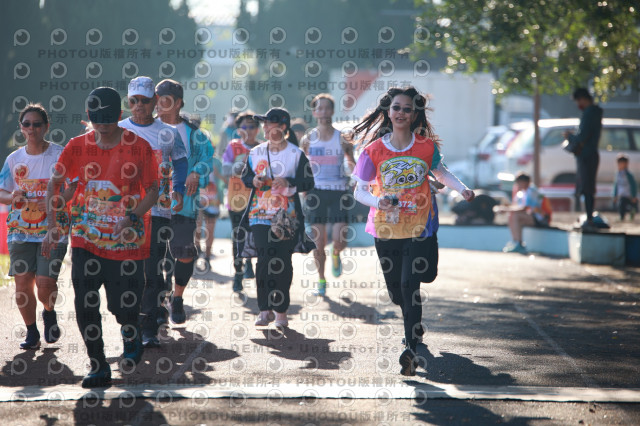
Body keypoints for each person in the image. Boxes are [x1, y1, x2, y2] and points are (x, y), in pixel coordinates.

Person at [352, 86, 475, 376]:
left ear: (415, 114)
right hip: (386, 228)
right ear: (388, 111)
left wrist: (462, 189)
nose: (401, 113)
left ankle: (410, 348)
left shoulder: (425, 147)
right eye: (397, 108)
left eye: (407, 109)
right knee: (397, 293)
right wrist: (378, 201)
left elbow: (440, 172)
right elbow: (359, 191)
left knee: (411, 286)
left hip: (419, 226)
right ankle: (413, 326)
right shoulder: (373, 150)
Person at [44, 87, 159, 387]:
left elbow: (154, 190)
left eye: (108, 119)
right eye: (97, 120)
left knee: (122, 306)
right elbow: (55, 183)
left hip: (126, 241)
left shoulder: (139, 147)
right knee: (85, 302)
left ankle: (131, 330)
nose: (103, 125)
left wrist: (131, 217)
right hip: (86, 238)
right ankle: (98, 365)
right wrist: (52, 225)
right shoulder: (77, 146)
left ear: (119, 115)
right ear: (88, 116)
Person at [118, 76, 188, 348]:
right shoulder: (119, 129)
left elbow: (180, 162)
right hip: (124, 213)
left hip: (158, 211)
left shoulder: (167, 133)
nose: (138, 105)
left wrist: (178, 189)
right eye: (133, 100)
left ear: (155, 102)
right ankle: (131, 322)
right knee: (127, 272)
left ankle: (148, 327)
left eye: (144, 101)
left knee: (152, 270)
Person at [0, 104, 71, 350]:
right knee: (22, 284)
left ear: (46, 127)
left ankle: (48, 311)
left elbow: (74, 187)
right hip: (20, 229)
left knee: (45, 283)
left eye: (37, 124)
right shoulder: (14, 159)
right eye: (27, 124)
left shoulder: (60, 155)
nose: (32, 128)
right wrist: (13, 197)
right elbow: (2, 192)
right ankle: (31, 332)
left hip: (53, 228)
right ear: (21, 128)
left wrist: (57, 199)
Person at [238, 108, 315, 328]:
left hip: (287, 216)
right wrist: (253, 181)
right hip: (259, 213)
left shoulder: (296, 154)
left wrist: (289, 183)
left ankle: (281, 311)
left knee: (282, 261)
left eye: (269, 123)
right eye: (263, 123)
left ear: (282, 127)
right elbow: (246, 177)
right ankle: (264, 309)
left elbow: (308, 182)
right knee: (264, 258)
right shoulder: (256, 152)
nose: (264, 127)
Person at [153, 79, 213, 346]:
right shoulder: (148, 128)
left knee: (184, 252)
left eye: (165, 100)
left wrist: (195, 172)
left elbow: (207, 160)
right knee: (155, 257)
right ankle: (158, 304)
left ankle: (177, 297)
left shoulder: (195, 135)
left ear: (178, 103)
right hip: (152, 204)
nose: (158, 105)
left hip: (184, 204)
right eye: (156, 99)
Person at [300, 94, 356, 296]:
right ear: (314, 112)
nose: (323, 112)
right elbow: (302, 166)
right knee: (318, 242)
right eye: (319, 108)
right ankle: (321, 280)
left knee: (339, 239)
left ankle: (336, 253)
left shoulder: (342, 138)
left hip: (339, 192)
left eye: (327, 108)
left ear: (332, 111)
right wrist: (303, 188)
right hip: (316, 193)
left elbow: (352, 163)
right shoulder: (308, 139)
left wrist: (356, 178)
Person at [221, 111, 262, 292]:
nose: (248, 130)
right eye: (244, 127)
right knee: (238, 237)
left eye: (252, 126)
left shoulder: (262, 148)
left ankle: (250, 263)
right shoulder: (233, 146)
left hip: (258, 202)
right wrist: (239, 167)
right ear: (238, 130)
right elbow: (225, 169)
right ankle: (238, 274)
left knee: (255, 236)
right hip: (236, 200)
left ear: (258, 129)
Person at [563, 88, 603, 229]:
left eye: (578, 101)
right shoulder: (596, 112)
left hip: (586, 156)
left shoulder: (589, 113)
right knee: (588, 188)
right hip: (591, 154)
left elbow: (581, 137)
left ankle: (589, 218)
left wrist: (569, 136)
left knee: (587, 188)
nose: (577, 104)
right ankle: (589, 216)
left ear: (583, 99)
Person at [493, 172, 550, 253]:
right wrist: (504, 208)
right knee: (512, 215)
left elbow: (524, 208)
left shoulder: (531, 191)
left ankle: (518, 244)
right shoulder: (522, 192)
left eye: (518, 182)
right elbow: (516, 207)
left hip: (542, 219)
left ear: (524, 182)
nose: (517, 185)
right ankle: (516, 242)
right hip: (532, 217)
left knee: (515, 215)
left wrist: (506, 209)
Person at [613, 154, 638, 221]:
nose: (619, 165)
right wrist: (615, 195)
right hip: (622, 195)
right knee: (621, 206)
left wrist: (633, 196)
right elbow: (616, 185)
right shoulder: (618, 174)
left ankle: (632, 214)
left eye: (621, 163)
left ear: (626, 164)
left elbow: (633, 185)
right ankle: (622, 217)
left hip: (629, 195)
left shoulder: (628, 175)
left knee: (633, 206)